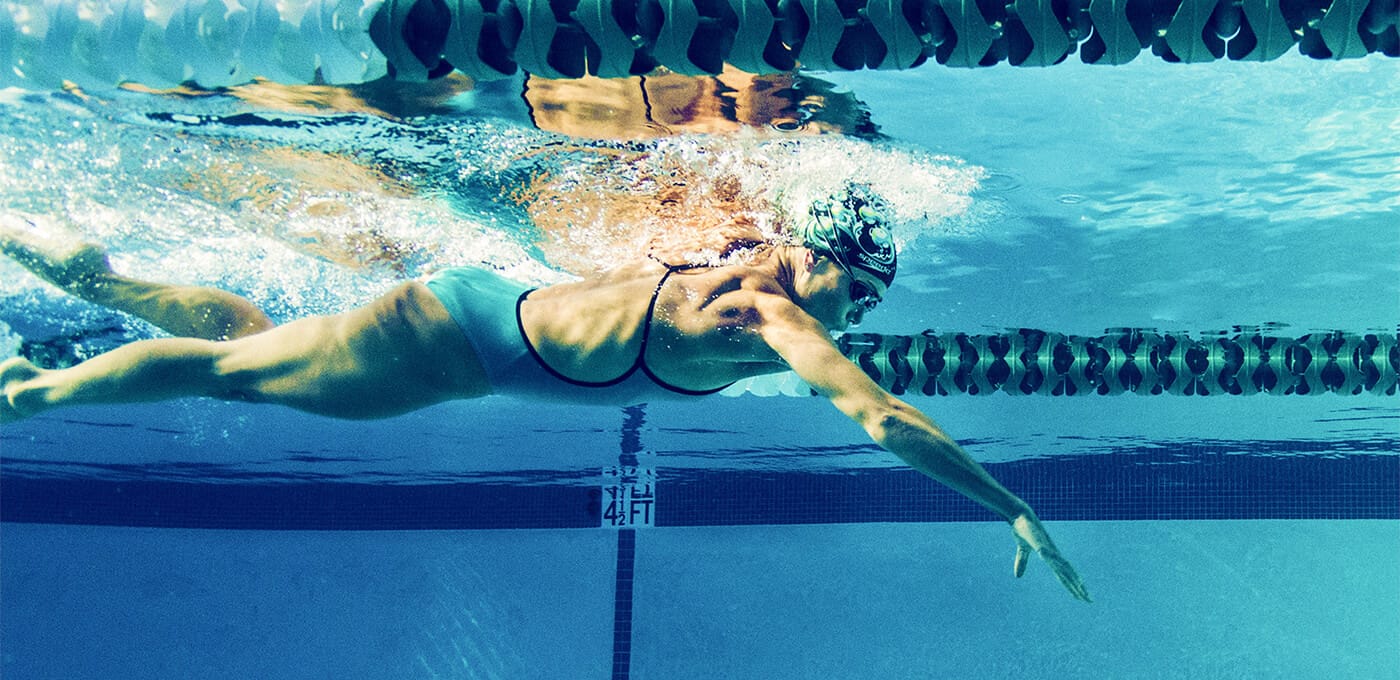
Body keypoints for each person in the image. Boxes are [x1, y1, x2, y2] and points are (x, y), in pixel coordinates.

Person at [0, 189, 1091, 602]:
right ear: (807, 254)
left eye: (863, 303)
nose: (846, 316)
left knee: (252, 338)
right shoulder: (769, 314)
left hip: (477, 319)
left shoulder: (740, 282)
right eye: (848, 287)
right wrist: (1003, 498)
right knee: (236, 370)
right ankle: (30, 391)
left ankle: (79, 264)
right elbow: (878, 415)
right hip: (459, 343)